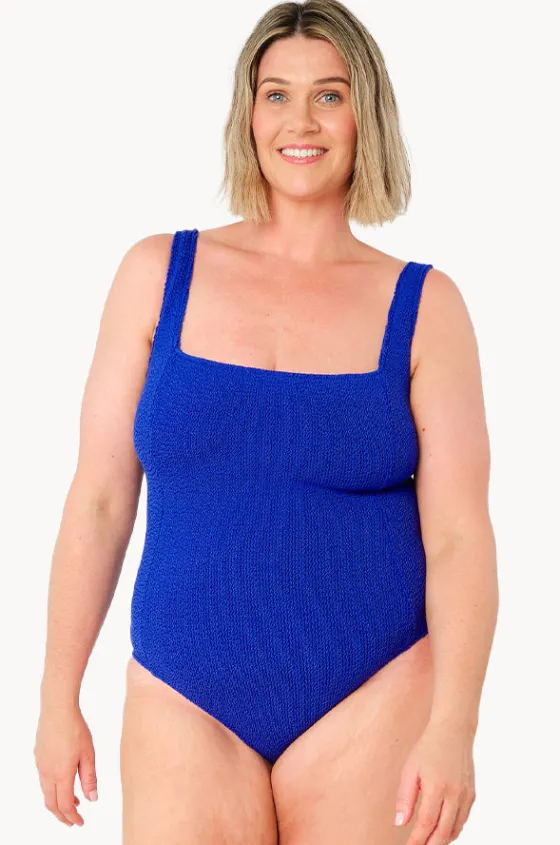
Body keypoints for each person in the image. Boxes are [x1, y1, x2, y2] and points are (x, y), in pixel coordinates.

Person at [34, 1, 499, 843]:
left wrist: (454, 726)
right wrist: (55, 696)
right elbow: (98, 500)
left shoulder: (427, 306)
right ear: (247, 115)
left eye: (329, 95)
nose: (300, 121)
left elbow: (461, 535)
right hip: (184, 691)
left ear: (365, 115)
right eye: (276, 93)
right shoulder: (156, 273)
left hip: (375, 693)